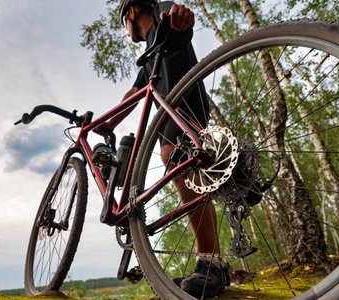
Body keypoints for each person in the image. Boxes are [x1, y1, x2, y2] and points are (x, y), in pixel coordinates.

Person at [96, 0, 229, 298]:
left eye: (123, 23)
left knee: (175, 159)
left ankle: (210, 263)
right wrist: (109, 123)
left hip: (182, 103)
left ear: (131, 13)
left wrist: (178, 15)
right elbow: (134, 93)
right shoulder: (148, 57)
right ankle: (215, 261)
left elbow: (173, 12)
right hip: (171, 111)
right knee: (181, 167)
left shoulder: (159, 18)